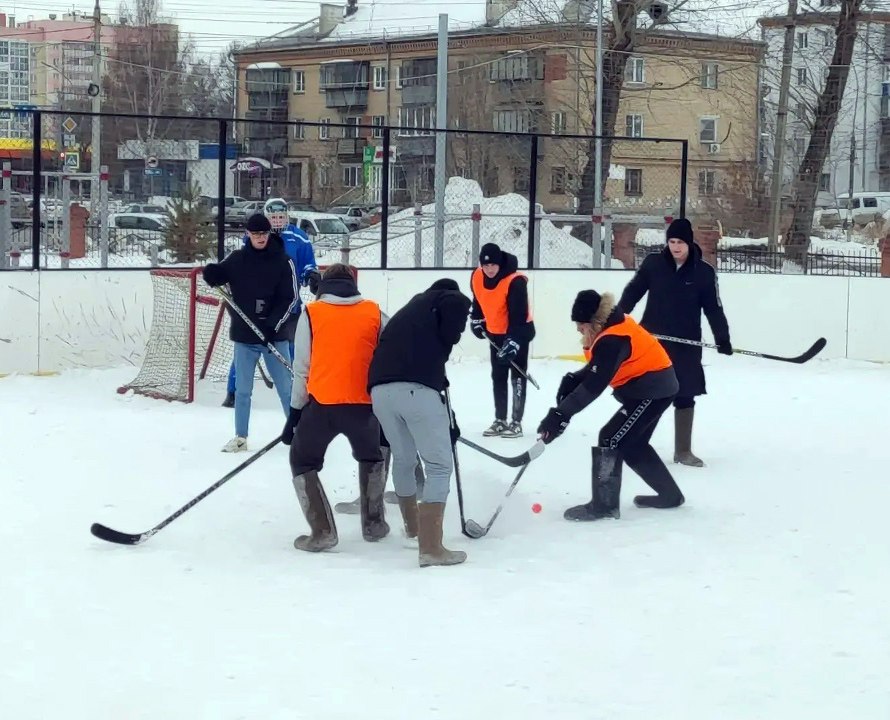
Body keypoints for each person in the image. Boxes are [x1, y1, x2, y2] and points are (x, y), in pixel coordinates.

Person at [537, 290, 685, 521]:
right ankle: (670, 496)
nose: (578, 329)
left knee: (611, 437)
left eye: (581, 325)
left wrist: (560, 415)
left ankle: (604, 506)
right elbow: (596, 369)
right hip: (649, 387)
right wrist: (574, 379)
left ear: (593, 323)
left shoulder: (613, 339)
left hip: (651, 390)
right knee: (632, 444)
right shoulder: (609, 326)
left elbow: (595, 385)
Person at [280, 264, 388, 552]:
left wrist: (294, 414)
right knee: (372, 456)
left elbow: (301, 369)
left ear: (324, 286)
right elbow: (388, 355)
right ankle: (374, 523)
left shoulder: (313, 314)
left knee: (302, 460)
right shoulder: (374, 312)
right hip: (364, 406)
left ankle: (322, 530)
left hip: (322, 405)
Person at [368, 278, 471, 567]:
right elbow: (455, 308)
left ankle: (413, 528)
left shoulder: (410, 311)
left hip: (379, 391)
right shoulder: (448, 299)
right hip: (416, 390)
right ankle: (431, 548)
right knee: (438, 465)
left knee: (404, 459)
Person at [618, 218, 732, 467]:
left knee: (685, 393)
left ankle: (683, 451)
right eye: (671, 241)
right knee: (648, 394)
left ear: (689, 242)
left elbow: (714, 309)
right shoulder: (653, 265)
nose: (676, 247)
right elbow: (633, 292)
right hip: (652, 342)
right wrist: (617, 318)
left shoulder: (704, 273)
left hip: (687, 344)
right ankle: (634, 442)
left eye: (680, 242)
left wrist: (722, 338)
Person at [202, 213, 297, 452]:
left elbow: (290, 298)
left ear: (269, 234)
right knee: (242, 390)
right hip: (245, 337)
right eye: (255, 234)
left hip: (274, 337)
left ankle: (297, 434)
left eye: (264, 233)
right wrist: (211, 273)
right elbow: (220, 273)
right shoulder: (238, 259)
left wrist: (272, 326)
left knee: (286, 388)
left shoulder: (283, 261)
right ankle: (240, 437)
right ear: (248, 235)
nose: (260, 238)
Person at [222, 198, 319, 408]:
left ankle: (298, 392)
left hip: (288, 307)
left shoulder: (298, 238)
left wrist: (311, 276)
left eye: (280, 216)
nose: (277, 221)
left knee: (292, 349)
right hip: (256, 307)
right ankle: (233, 391)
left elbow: (308, 264)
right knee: (246, 350)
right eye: (273, 217)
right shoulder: (254, 237)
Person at [469, 243, 535, 438]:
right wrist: (477, 320)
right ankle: (500, 419)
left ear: (500, 264)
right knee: (498, 376)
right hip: (495, 332)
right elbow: (478, 301)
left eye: (493, 265)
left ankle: (516, 422)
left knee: (517, 376)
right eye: (485, 265)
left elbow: (519, 315)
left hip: (519, 331)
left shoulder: (515, 282)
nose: (489, 269)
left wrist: (513, 342)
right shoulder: (477, 276)